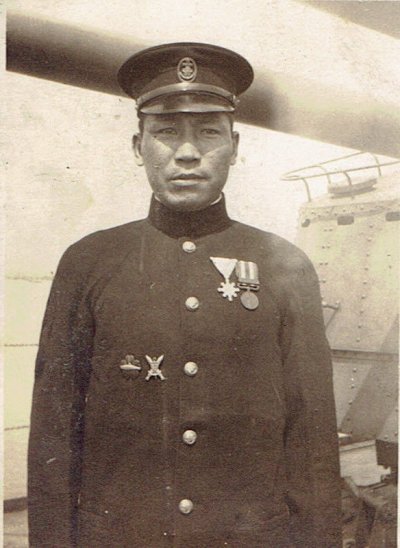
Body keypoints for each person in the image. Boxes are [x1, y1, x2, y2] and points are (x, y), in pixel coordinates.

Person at [28, 42, 342, 547]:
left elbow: (312, 447)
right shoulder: (88, 263)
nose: (188, 152)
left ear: (235, 147)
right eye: (166, 131)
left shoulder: (286, 268)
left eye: (210, 132)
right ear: (138, 146)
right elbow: (54, 436)